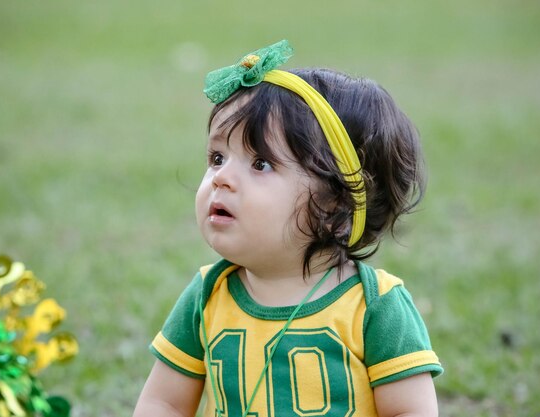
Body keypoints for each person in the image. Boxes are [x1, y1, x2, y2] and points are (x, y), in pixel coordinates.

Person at [133, 40, 443, 417]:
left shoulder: (374, 306)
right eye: (217, 158)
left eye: (261, 163)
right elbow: (163, 403)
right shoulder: (209, 295)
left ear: (336, 203)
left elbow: (409, 410)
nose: (222, 178)